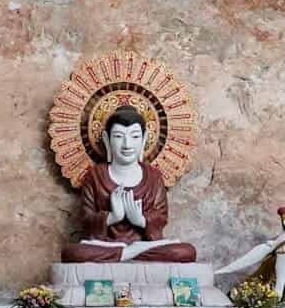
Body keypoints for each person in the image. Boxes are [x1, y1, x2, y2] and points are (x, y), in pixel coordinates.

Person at [61, 105, 195, 264]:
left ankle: (127, 253)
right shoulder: (95, 176)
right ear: (106, 139)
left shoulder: (153, 177)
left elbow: (161, 217)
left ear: (144, 139)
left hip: (145, 245)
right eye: (118, 136)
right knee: (72, 253)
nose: (127, 144)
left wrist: (140, 220)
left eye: (135, 136)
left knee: (185, 251)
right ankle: (129, 253)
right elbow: (86, 219)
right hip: (105, 245)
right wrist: (112, 217)